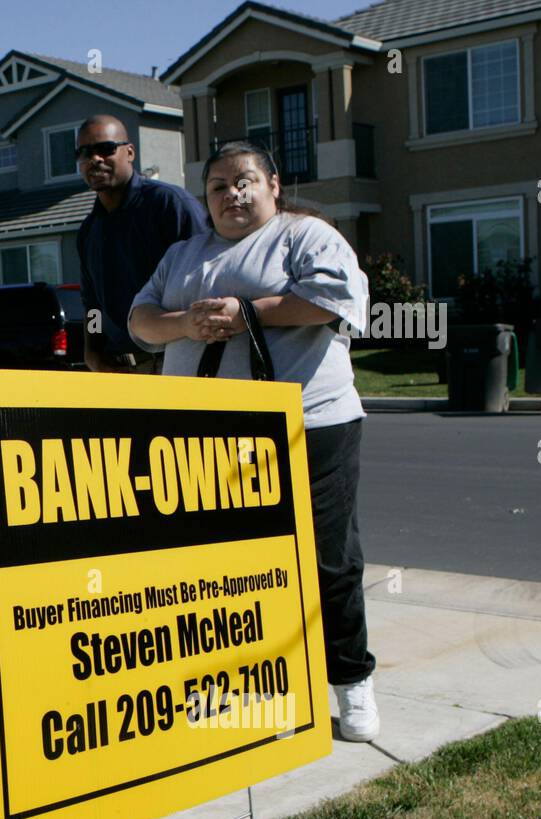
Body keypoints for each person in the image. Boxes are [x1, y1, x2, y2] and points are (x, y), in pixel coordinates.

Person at [126, 140, 380, 742]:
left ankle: (351, 682)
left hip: (310, 426)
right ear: (204, 199)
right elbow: (139, 321)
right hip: (208, 440)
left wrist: (248, 313)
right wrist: (185, 323)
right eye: (218, 186)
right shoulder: (182, 255)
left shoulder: (306, 236)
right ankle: (243, 684)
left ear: (273, 185)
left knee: (326, 559)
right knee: (226, 569)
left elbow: (331, 300)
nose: (231, 194)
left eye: (244, 181)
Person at [75, 114, 207, 374]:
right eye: (84, 153)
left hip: (177, 362)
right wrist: (92, 353)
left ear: (130, 152)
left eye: (106, 148)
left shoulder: (170, 205)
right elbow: (93, 308)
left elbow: (210, 277)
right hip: (121, 372)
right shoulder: (89, 230)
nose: (95, 159)